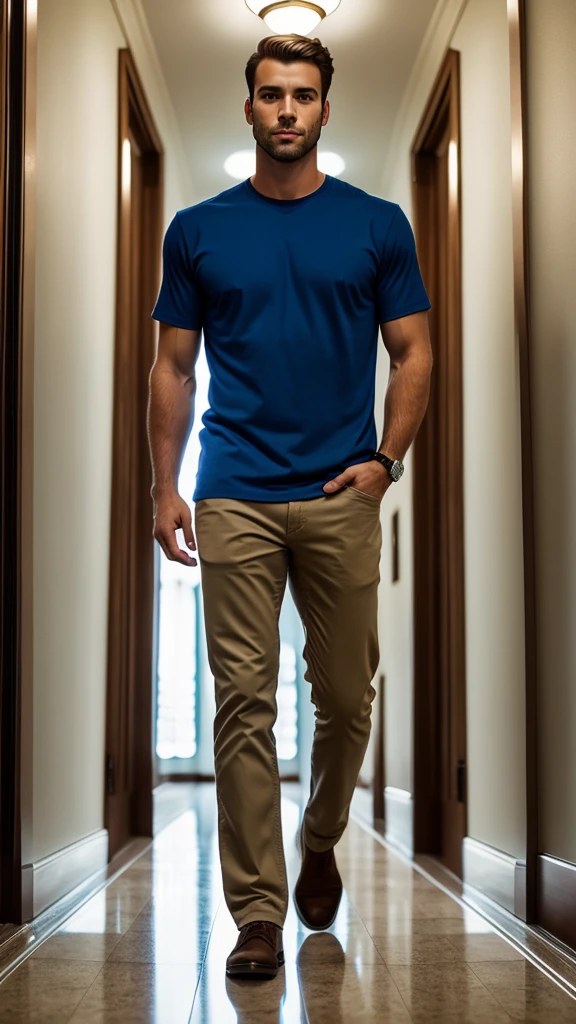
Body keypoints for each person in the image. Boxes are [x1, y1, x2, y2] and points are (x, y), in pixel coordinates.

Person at [147, 33, 432, 980]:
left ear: (322, 109)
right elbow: (174, 366)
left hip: (342, 487)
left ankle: (320, 838)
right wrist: (166, 484)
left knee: (347, 698)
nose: (285, 111)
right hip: (233, 489)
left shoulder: (378, 224)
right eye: (270, 94)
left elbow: (415, 351)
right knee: (243, 704)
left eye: (302, 96)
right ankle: (259, 913)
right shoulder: (197, 229)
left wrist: (385, 461)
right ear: (248, 108)